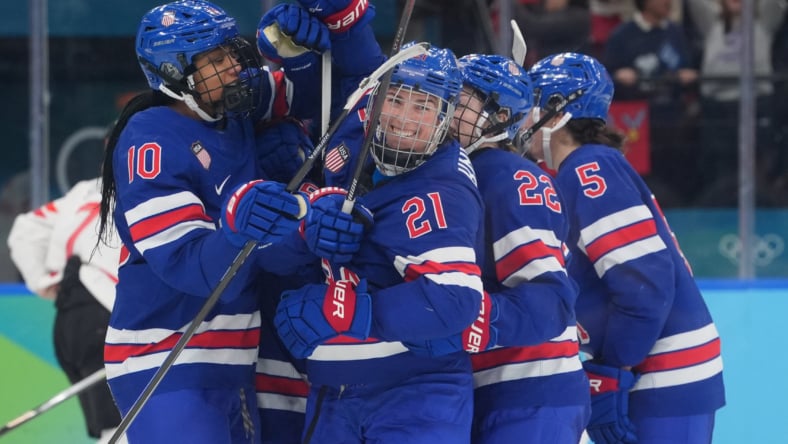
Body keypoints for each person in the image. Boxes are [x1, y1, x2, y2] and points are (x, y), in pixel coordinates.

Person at [96, 1, 319, 442]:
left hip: (233, 359)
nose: (234, 66)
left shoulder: (231, 108)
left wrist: (304, 52)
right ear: (175, 73)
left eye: (230, 52)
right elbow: (189, 267)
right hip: (166, 358)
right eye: (216, 60)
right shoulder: (149, 140)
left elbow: (313, 94)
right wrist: (238, 231)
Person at [272, 43, 486, 443]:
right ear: (374, 103)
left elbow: (455, 299)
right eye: (396, 99)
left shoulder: (442, 190)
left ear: (445, 119)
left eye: (423, 107)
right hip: (331, 394)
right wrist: (305, 232)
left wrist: (347, 312)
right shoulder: (357, 137)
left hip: (414, 395)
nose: (404, 117)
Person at [525, 52, 725, 444]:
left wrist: (614, 369)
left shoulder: (589, 170)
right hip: (656, 370)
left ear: (557, 113)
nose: (521, 116)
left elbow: (645, 286)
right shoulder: (583, 169)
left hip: (661, 374)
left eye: (530, 103)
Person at [447, 53, 590, 444]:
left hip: (531, 390)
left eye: (459, 102)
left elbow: (549, 299)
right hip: (493, 390)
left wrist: (459, 318)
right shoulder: (457, 172)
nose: (445, 109)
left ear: (499, 117)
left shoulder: (507, 176)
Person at [8, 177, 122, 444]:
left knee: (112, 424)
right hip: (108, 316)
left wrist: (44, 281)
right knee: (124, 424)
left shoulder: (83, 191)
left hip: (70, 318)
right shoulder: (155, 182)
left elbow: (25, 229)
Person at [686, 0, 786, 205]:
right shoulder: (712, 22)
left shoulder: (763, 22)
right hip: (717, 105)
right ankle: (721, 208)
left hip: (756, 102)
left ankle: (760, 204)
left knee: (757, 159)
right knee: (721, 163)